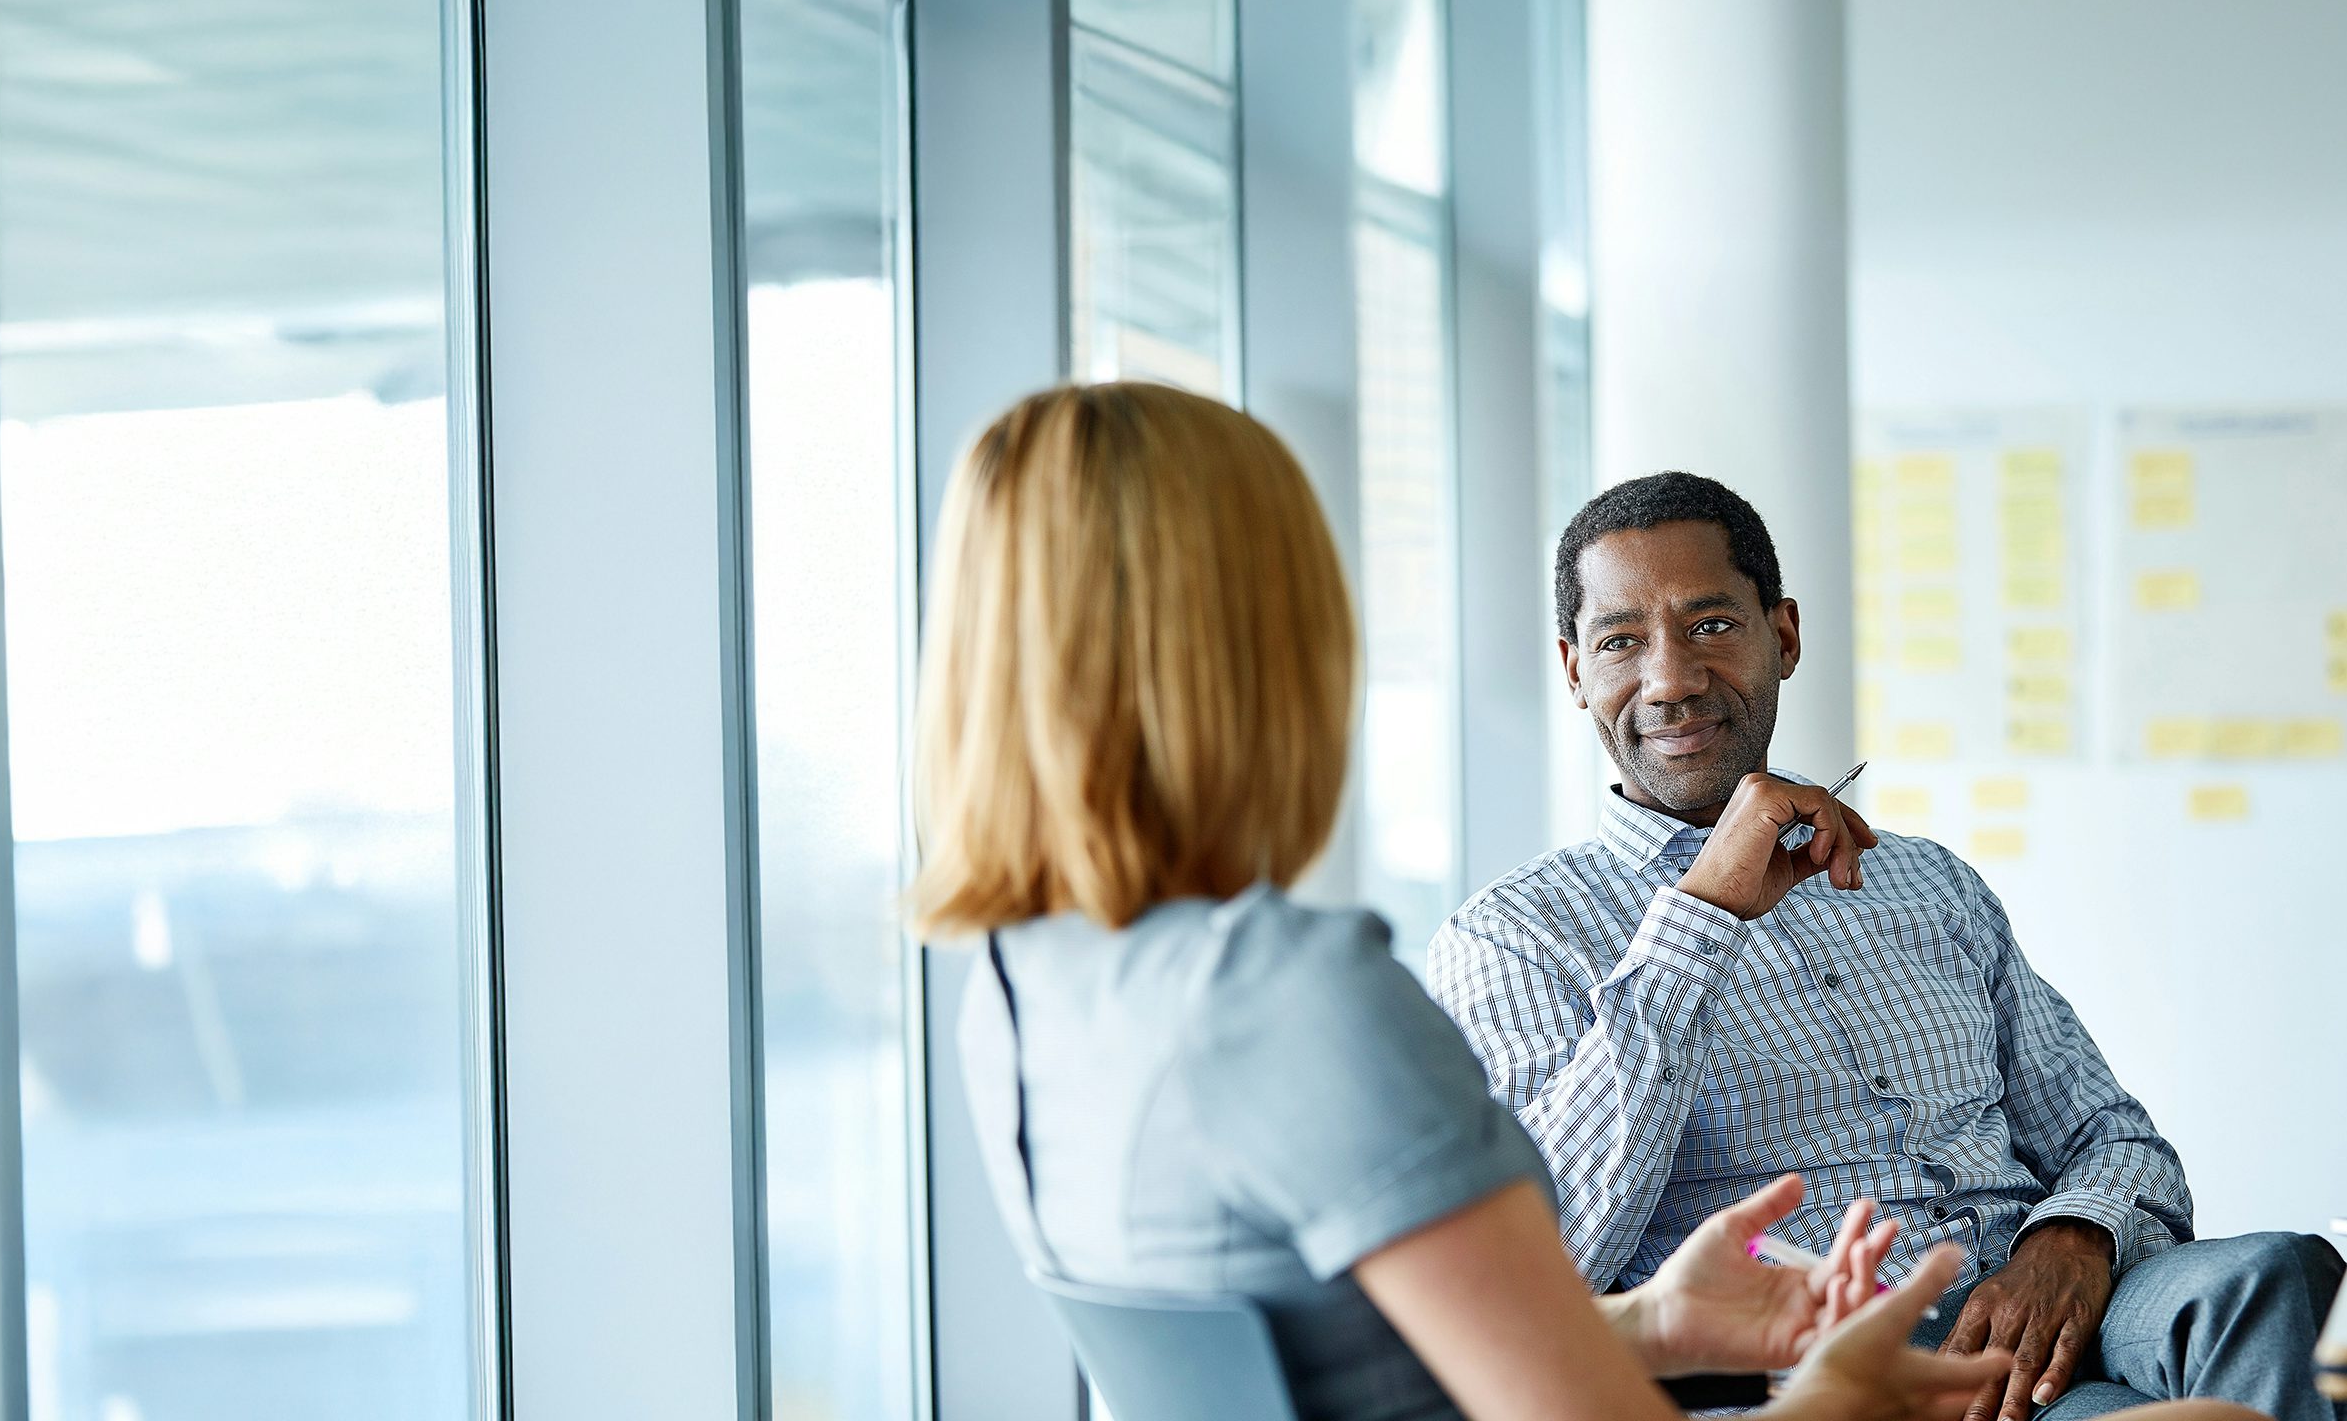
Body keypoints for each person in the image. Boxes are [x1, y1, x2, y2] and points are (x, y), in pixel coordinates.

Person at [907, 382, 2226, 1421]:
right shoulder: (1297, 995)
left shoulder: (1026, 992)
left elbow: (1357, 1369)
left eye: (1713, 626)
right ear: (1261, 647)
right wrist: (1838, 1401)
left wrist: (1656, 1323)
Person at [1429, 471, 2347, 1421]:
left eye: (1711, 627)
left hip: (2065, 1297)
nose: (1670, 678)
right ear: (1576, 671)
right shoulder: (1513, 938)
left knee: (2274, 1278)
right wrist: (1697, 919)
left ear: (1782, 636)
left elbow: (2111, 1136)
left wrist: (2073, 1237)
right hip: (1850, 1369)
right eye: (1622, 642)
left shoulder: (1926, 882)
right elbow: (1552, 1256)